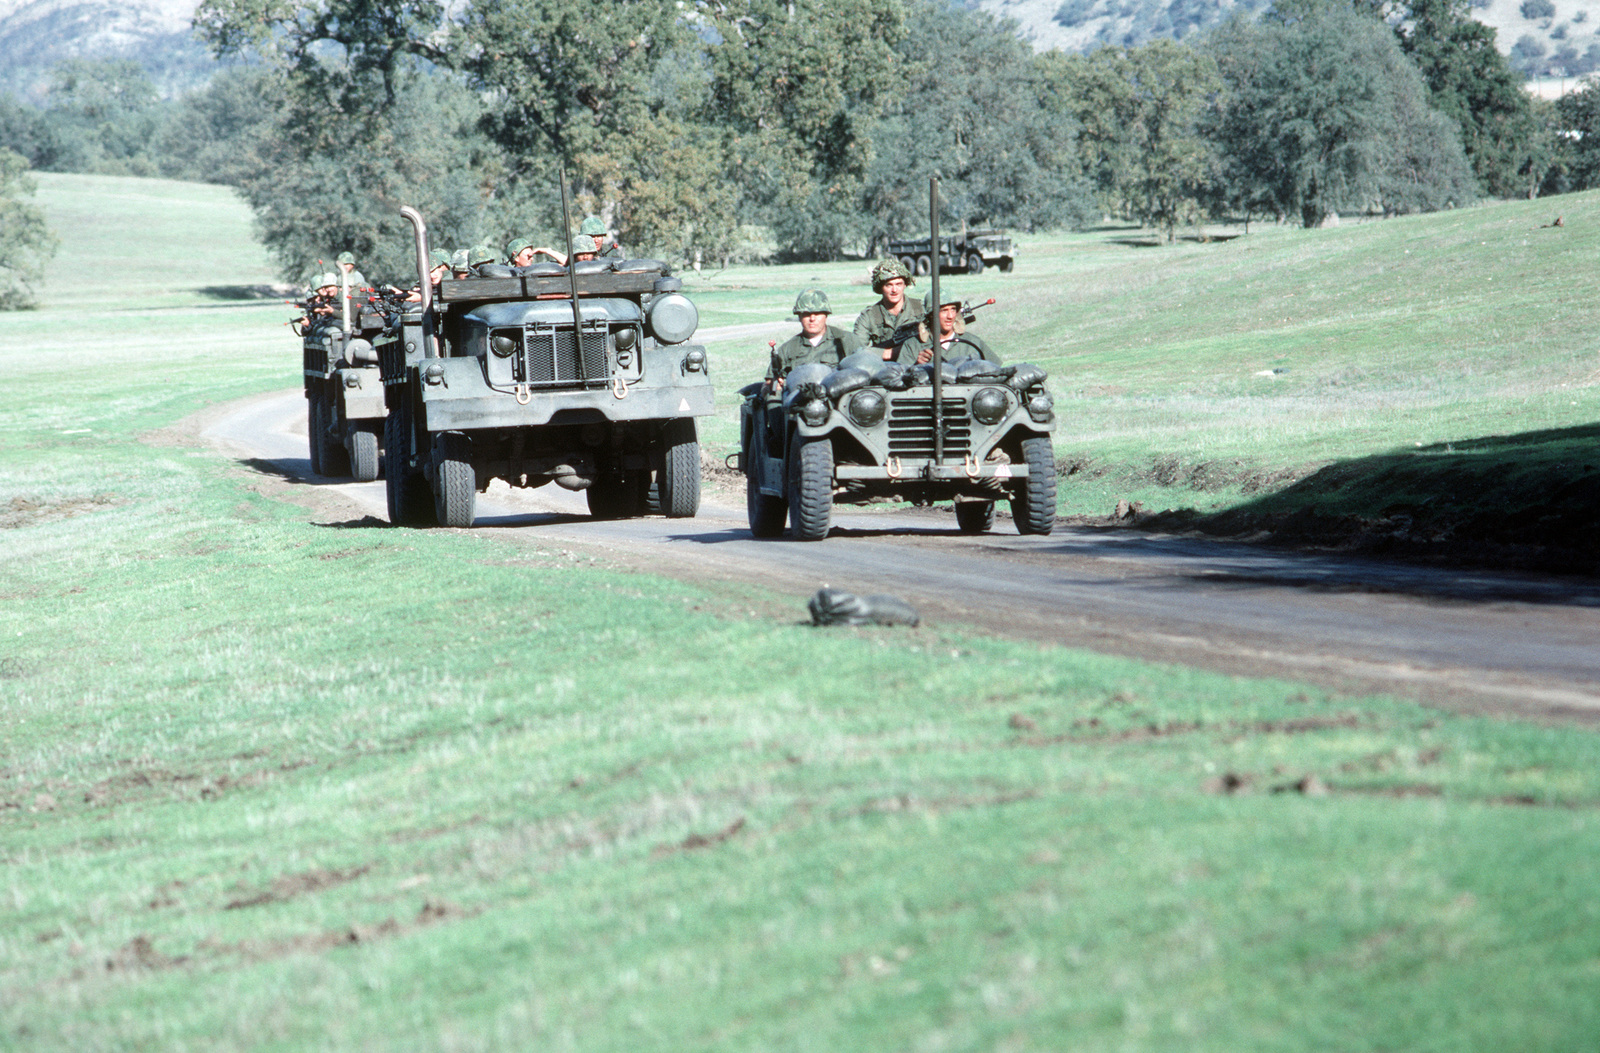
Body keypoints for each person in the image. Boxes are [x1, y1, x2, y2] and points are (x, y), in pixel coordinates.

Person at [765, 289, 861, 394]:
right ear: (799, 316)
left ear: (826, 315)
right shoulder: (787, 349)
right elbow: (770, 383)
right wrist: (777, 386)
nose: (812, 318)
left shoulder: (846, 340)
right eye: (806, 314)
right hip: (801, 403)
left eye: (817, 313)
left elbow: (864, 371)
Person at [895, 291, 1001, 366]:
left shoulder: (972, 343)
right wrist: (917, 365)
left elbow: (997, 372)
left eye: (953, 310)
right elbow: (899, 380)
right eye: (944, 310)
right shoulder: (913, 346)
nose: (950, 316)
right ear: (931, 315)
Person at [852, 258, 915, 358]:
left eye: (898, 284)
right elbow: (856, 350)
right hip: (882, 368)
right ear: (880, 287)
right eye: (888, 285)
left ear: (905, 285)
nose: (894, 290)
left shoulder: (920, 310)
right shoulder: (869, 316)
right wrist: (891, 353)